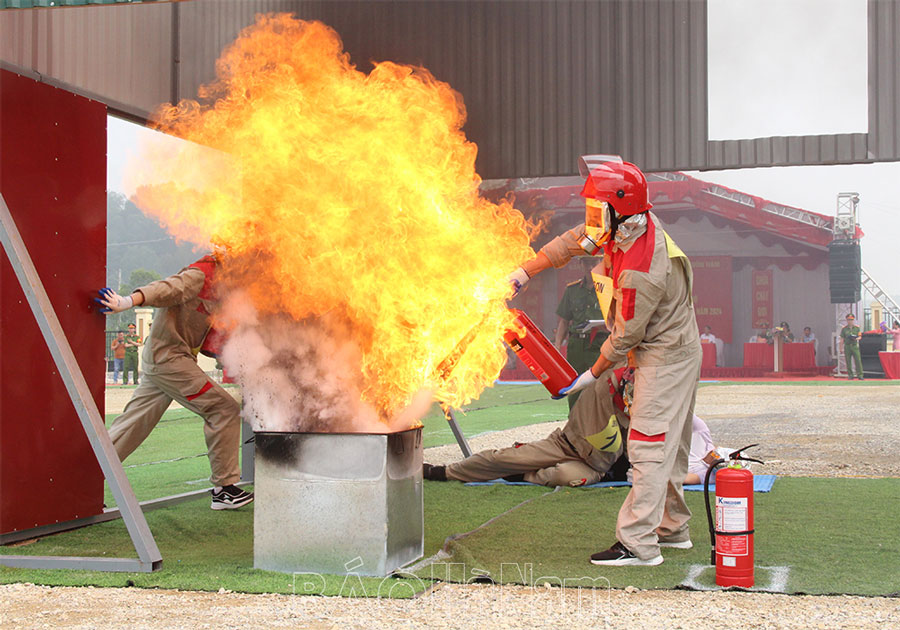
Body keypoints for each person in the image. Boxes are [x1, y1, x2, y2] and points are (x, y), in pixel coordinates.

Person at [508, 155, 701, 567]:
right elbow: (572, 241)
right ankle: (672, 528)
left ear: (618, 207)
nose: (590, 217)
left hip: (663, 356)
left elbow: (626, 335)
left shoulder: (641, 266)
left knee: (648, 444)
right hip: (673, 349)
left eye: (597, 208)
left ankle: (638, 545)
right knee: (672, 442)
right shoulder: (623, 226)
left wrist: (590, 376)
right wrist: (525, 272)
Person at [95, 254, 252, 510]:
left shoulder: (228, 284)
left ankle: (78, 482)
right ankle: (223, 489)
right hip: (170, 360)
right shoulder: (202, 274)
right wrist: (128, 301)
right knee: (223, 409)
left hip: (167, 361)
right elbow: (167, 288)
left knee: (129, 427)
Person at [424, 368, 631, 487]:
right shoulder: (603, 381)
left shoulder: (641, 408)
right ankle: (444, 472)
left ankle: (523, 474)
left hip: (596, 467)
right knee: (501, 459)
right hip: (563, 444)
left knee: (566, 477)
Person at [554, 256, 608, 409]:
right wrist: (557, 346)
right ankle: (574, 427)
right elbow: (564, 321)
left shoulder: (609, 288)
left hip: (600, 345)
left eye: (593, 262)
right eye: (586, 262)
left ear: (600, 263)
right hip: (576, 347)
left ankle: (601, 428)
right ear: (580, 264)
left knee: (601, 388)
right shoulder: (572, 290)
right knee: (574, 387)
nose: (590, 267)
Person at [840, 313, 863, 380]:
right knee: (848, 361)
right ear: (846, 320)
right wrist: (841, 348)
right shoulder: (844, 329)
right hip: (847, 346)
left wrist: (855, 338)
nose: (850, 321)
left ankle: (860, 375)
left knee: (858, 360)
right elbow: (842, 339)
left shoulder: (857, 328)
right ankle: (850, 375)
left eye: (851, 320)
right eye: (848, 320)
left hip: (854, 345)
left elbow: (860, 337)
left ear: (853, 320)